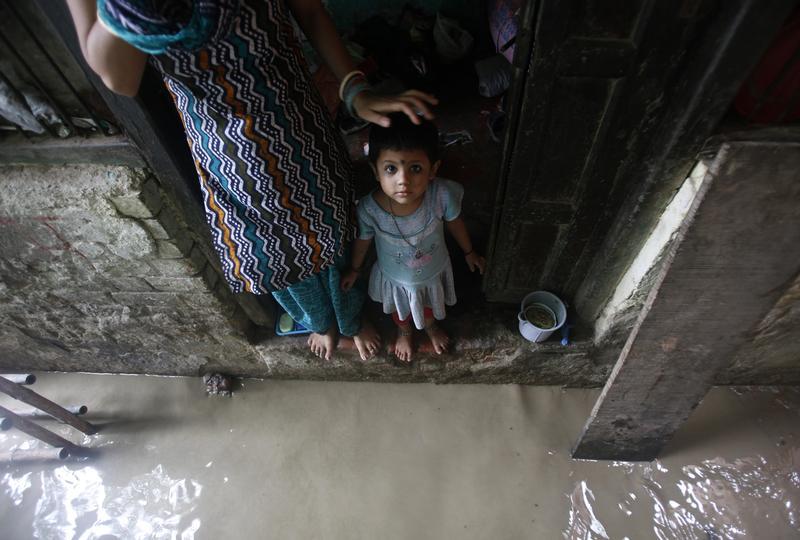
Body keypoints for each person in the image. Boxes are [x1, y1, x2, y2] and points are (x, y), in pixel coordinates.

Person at [65, 0, 439, 361]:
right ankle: (321, 323)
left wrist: (354, 89)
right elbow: (122, 79)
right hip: (228, 150)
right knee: (276, 259)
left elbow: (307, 9)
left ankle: (351, 319)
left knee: (334, 232)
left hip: (297, 120)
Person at [340, 113, 486, 362]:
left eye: (415, 168)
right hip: (396, 277)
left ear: (433, 169)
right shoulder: (369, 209)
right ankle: (404, 330)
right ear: (375, 171)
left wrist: (469, 252)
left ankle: (430, 327)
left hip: (432, 269)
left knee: (428, 301)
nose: (403, 180)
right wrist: (355, 269)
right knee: (401, 307)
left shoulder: (441, 195)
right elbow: (363, 240)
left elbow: (455, 223)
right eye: (391, 169)